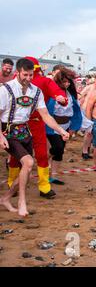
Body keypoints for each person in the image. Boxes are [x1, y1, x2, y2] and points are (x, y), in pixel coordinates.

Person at [0, 58, 70, 217]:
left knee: (27, 169)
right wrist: (0, 136)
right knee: (29, 162)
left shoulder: (35, 91)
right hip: (8, 131)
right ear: (17, 72)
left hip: (25, 131)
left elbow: (45, 116)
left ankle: (5, 198)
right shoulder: (5, 90)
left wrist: (60, 130)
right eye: (25, 75)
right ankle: (21, 202)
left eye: (31, 75)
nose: (28, 78)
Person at [46, 67, 82, 185]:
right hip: (53, 126)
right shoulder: (52, 93)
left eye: (68, 81)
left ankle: (53, 176)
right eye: (64, 81)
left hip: (66, 125)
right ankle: (44, 160)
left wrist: (73, 127)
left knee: (60, 151)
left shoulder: (70, 94)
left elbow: (75, 111)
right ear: (58, 81)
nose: (66, 84)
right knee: (57, 148)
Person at [79, 73, 96, 160]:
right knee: (88, 133)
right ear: (95, 79)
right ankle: (84, 151)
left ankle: (87, 150)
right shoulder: (90, 87)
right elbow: (80, 94)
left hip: (94, 112)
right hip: (85, 111)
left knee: (91, 133)